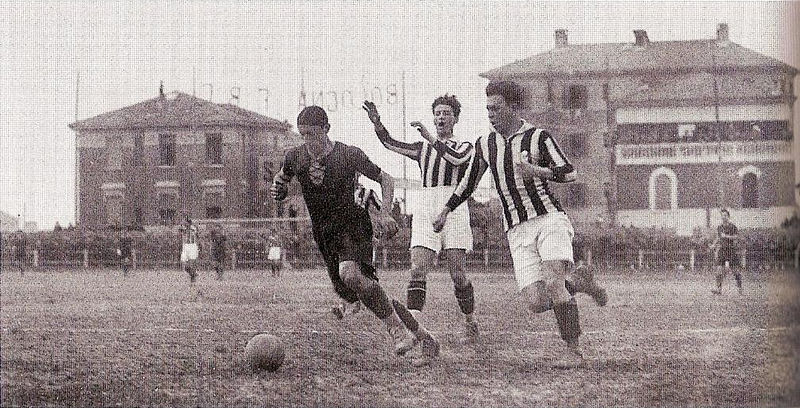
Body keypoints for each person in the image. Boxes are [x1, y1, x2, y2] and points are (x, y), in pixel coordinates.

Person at [432, 80, 607, 368]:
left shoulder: (538, 137)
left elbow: (570, 173)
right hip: (516, 228)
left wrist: (535, 170)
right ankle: (578, 282)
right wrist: (445, 210)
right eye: (487, 109)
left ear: (513, 108)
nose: (490, 114)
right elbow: (469, 182)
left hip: (549, 218)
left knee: (553, 281)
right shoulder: (486, 144)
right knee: (537, 301)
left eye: (496, 108)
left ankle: (573, 351)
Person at [271, 105, 440, 366]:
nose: (308, 140)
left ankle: (397, 332)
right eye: (303, 134)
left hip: (354, 227)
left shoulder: (349, 155)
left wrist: (385, 213)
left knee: (349, 274)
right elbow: (281, 179)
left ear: (326, 129)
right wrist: (278, 189)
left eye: (313, 134)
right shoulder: (294, 156)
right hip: (324, 234)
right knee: (360, 291)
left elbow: (387, 179)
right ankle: (423, 335)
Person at [363, 96, 480, 348]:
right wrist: (377, 122)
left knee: (457, 274)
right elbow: (390, 144)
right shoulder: (422, 149)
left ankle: (470, 320)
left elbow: (457, 160)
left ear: (455, 118)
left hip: (454, 205)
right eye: (437, 112)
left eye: (446, 113)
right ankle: (414, 329)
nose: (440, 117)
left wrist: (430, 137)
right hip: (426, 204)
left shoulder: (465, 146)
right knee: (417, 268)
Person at [711, 208, 742, 294]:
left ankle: (740, 288)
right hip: (722, 250)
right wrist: (714, 244)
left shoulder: (732, 226)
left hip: (731, 250)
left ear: (728, 216)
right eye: (722, 215)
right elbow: (718, 237)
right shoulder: (720, 227)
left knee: (736, 272)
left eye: (725, 215)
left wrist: (727, 236)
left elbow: (736, 237)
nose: (723, 217)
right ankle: (718, 289)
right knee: (719, 271)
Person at [180, 217, 200, 283]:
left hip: (192, 246)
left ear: (188, 222)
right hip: (185, 246)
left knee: (191, 263)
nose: (183, 223)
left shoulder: (193, 228)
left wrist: (198, 246)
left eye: (184, 221)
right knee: (183, 263)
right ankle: (193, 274)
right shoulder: (183, 228)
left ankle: (193, 278)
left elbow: (197, 236)